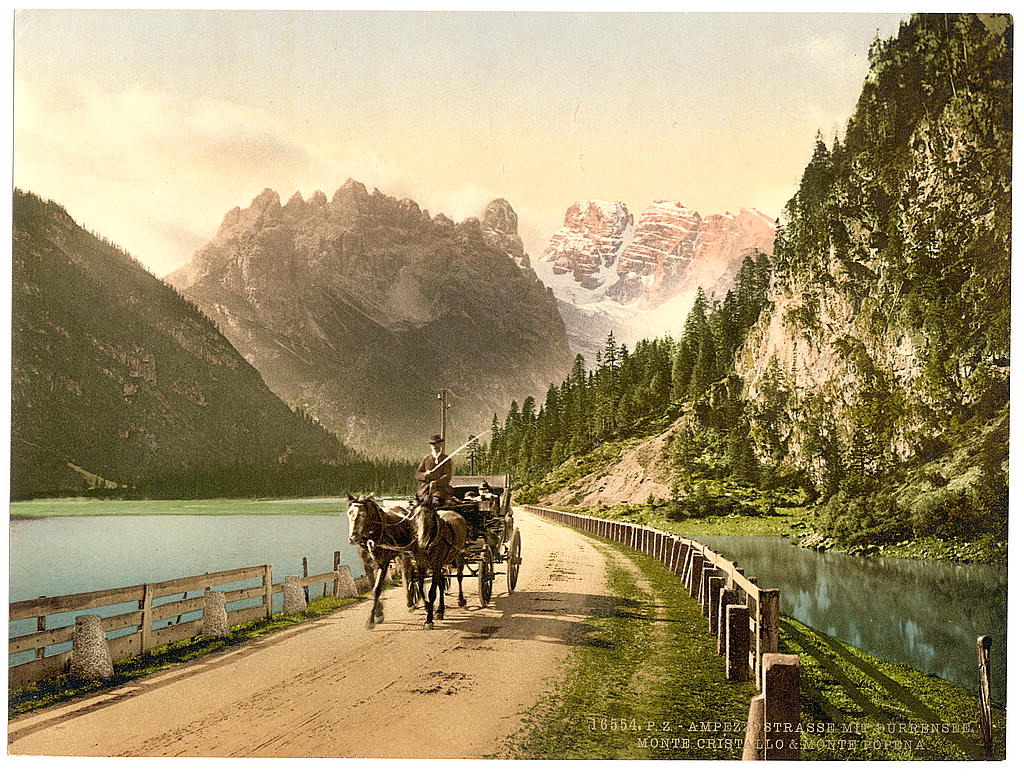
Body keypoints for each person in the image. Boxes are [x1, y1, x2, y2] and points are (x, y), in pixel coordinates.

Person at [415, 434, 454, 506]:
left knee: (435, 502)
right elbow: (418, 474)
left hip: (440, 489)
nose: (434, 446)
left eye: (437, 444)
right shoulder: (426, 458)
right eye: (432, 444)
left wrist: (436, 482)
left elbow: (447, 476)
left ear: (441, 444)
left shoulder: (446, 459)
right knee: (420, 505)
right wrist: (424, 475)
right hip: (425, 489)